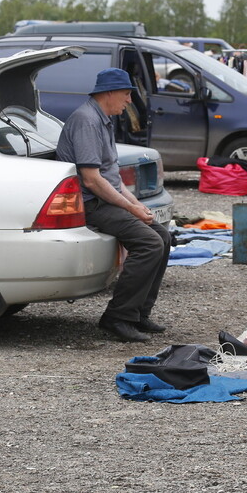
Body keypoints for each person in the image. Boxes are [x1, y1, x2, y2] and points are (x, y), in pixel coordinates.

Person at [56, 68, 171, 343]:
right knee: (149, 243)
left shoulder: (103, 119)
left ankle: (139, 313)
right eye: (126, 93)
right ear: (108, 92)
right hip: (91, 204)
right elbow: (92, 180)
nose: (130, 100)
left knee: (163, 236)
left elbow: (112, 178)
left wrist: (137, 204)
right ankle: (117, 317)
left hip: (104, 198)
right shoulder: (86, 121)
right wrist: (131, 209)